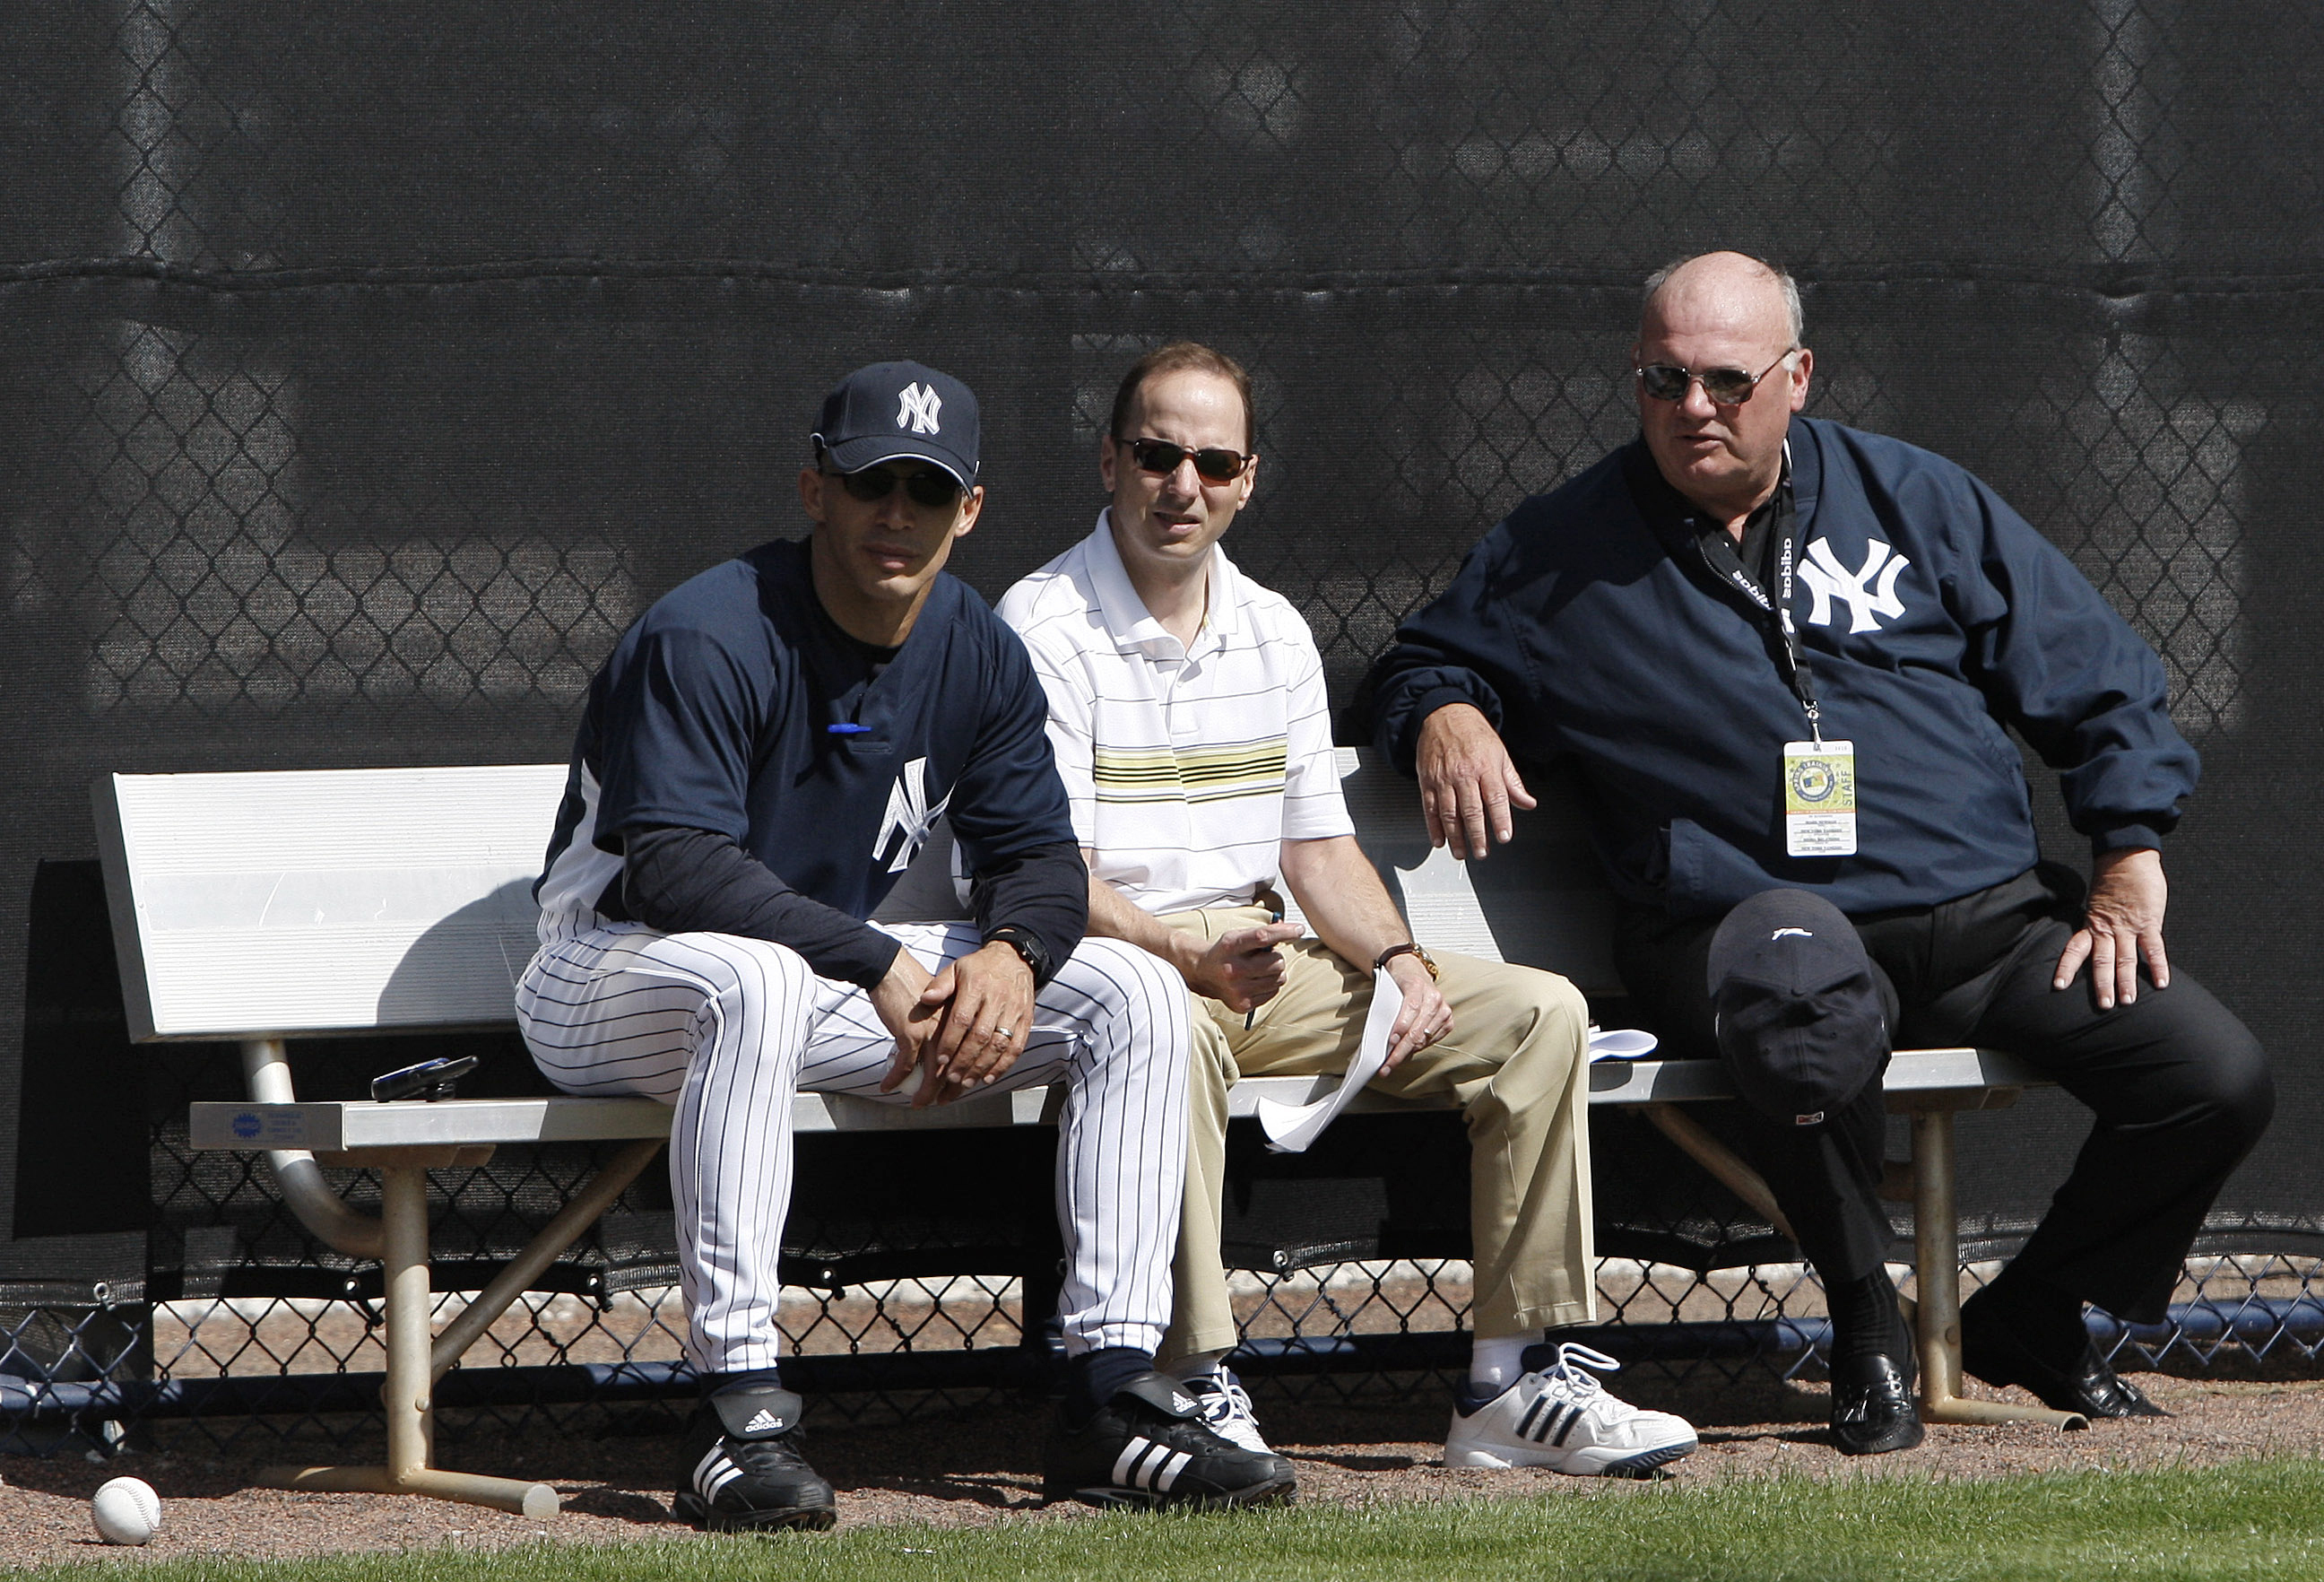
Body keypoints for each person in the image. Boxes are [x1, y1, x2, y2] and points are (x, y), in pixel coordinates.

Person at [1365, 252, 2274, 1456]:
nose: (1694, 407)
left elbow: (2099, 675)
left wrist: (2128, 847)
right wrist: (1445, 711)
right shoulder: (1559, 550)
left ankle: (2040, 1311)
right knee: (1806, 998)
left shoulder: (1916, 498)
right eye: (1662, 379)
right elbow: (1416, 658)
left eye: (1727, 381)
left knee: (2212, 1077)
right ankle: (1865, 1324)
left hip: (1980, 917)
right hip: (1749, 921)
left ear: (1798, 378)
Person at [515, 361, 1295, 1531]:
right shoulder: (709, 631)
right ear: (814, 490)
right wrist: (881, 962)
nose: (897, 515)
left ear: (968, 510)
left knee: (1136, 990)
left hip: (809, 980)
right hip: (609, 969)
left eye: (926, 492)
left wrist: (1011, 961)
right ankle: (738, 1411)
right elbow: (672, 867)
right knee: (755, 976)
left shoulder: (973, 647)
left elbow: (1037, 855)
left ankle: (1109, 1397)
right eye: (871, 482)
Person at [998, 342, 1699, 1478]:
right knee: (1154, 1024)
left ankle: (1508, 1388)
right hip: (1119, 971)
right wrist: (1186, 950)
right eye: (1159, 454)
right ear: (1110, 461)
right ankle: (1188, 1382)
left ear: (1248, 479)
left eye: (1213, 462)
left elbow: (1316, 847)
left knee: (1539, 1015)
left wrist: (1404, 960)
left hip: (1268, 964)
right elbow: (1052, 875)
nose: (1185, 485)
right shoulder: (1041, 625)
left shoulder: (1272, 628)